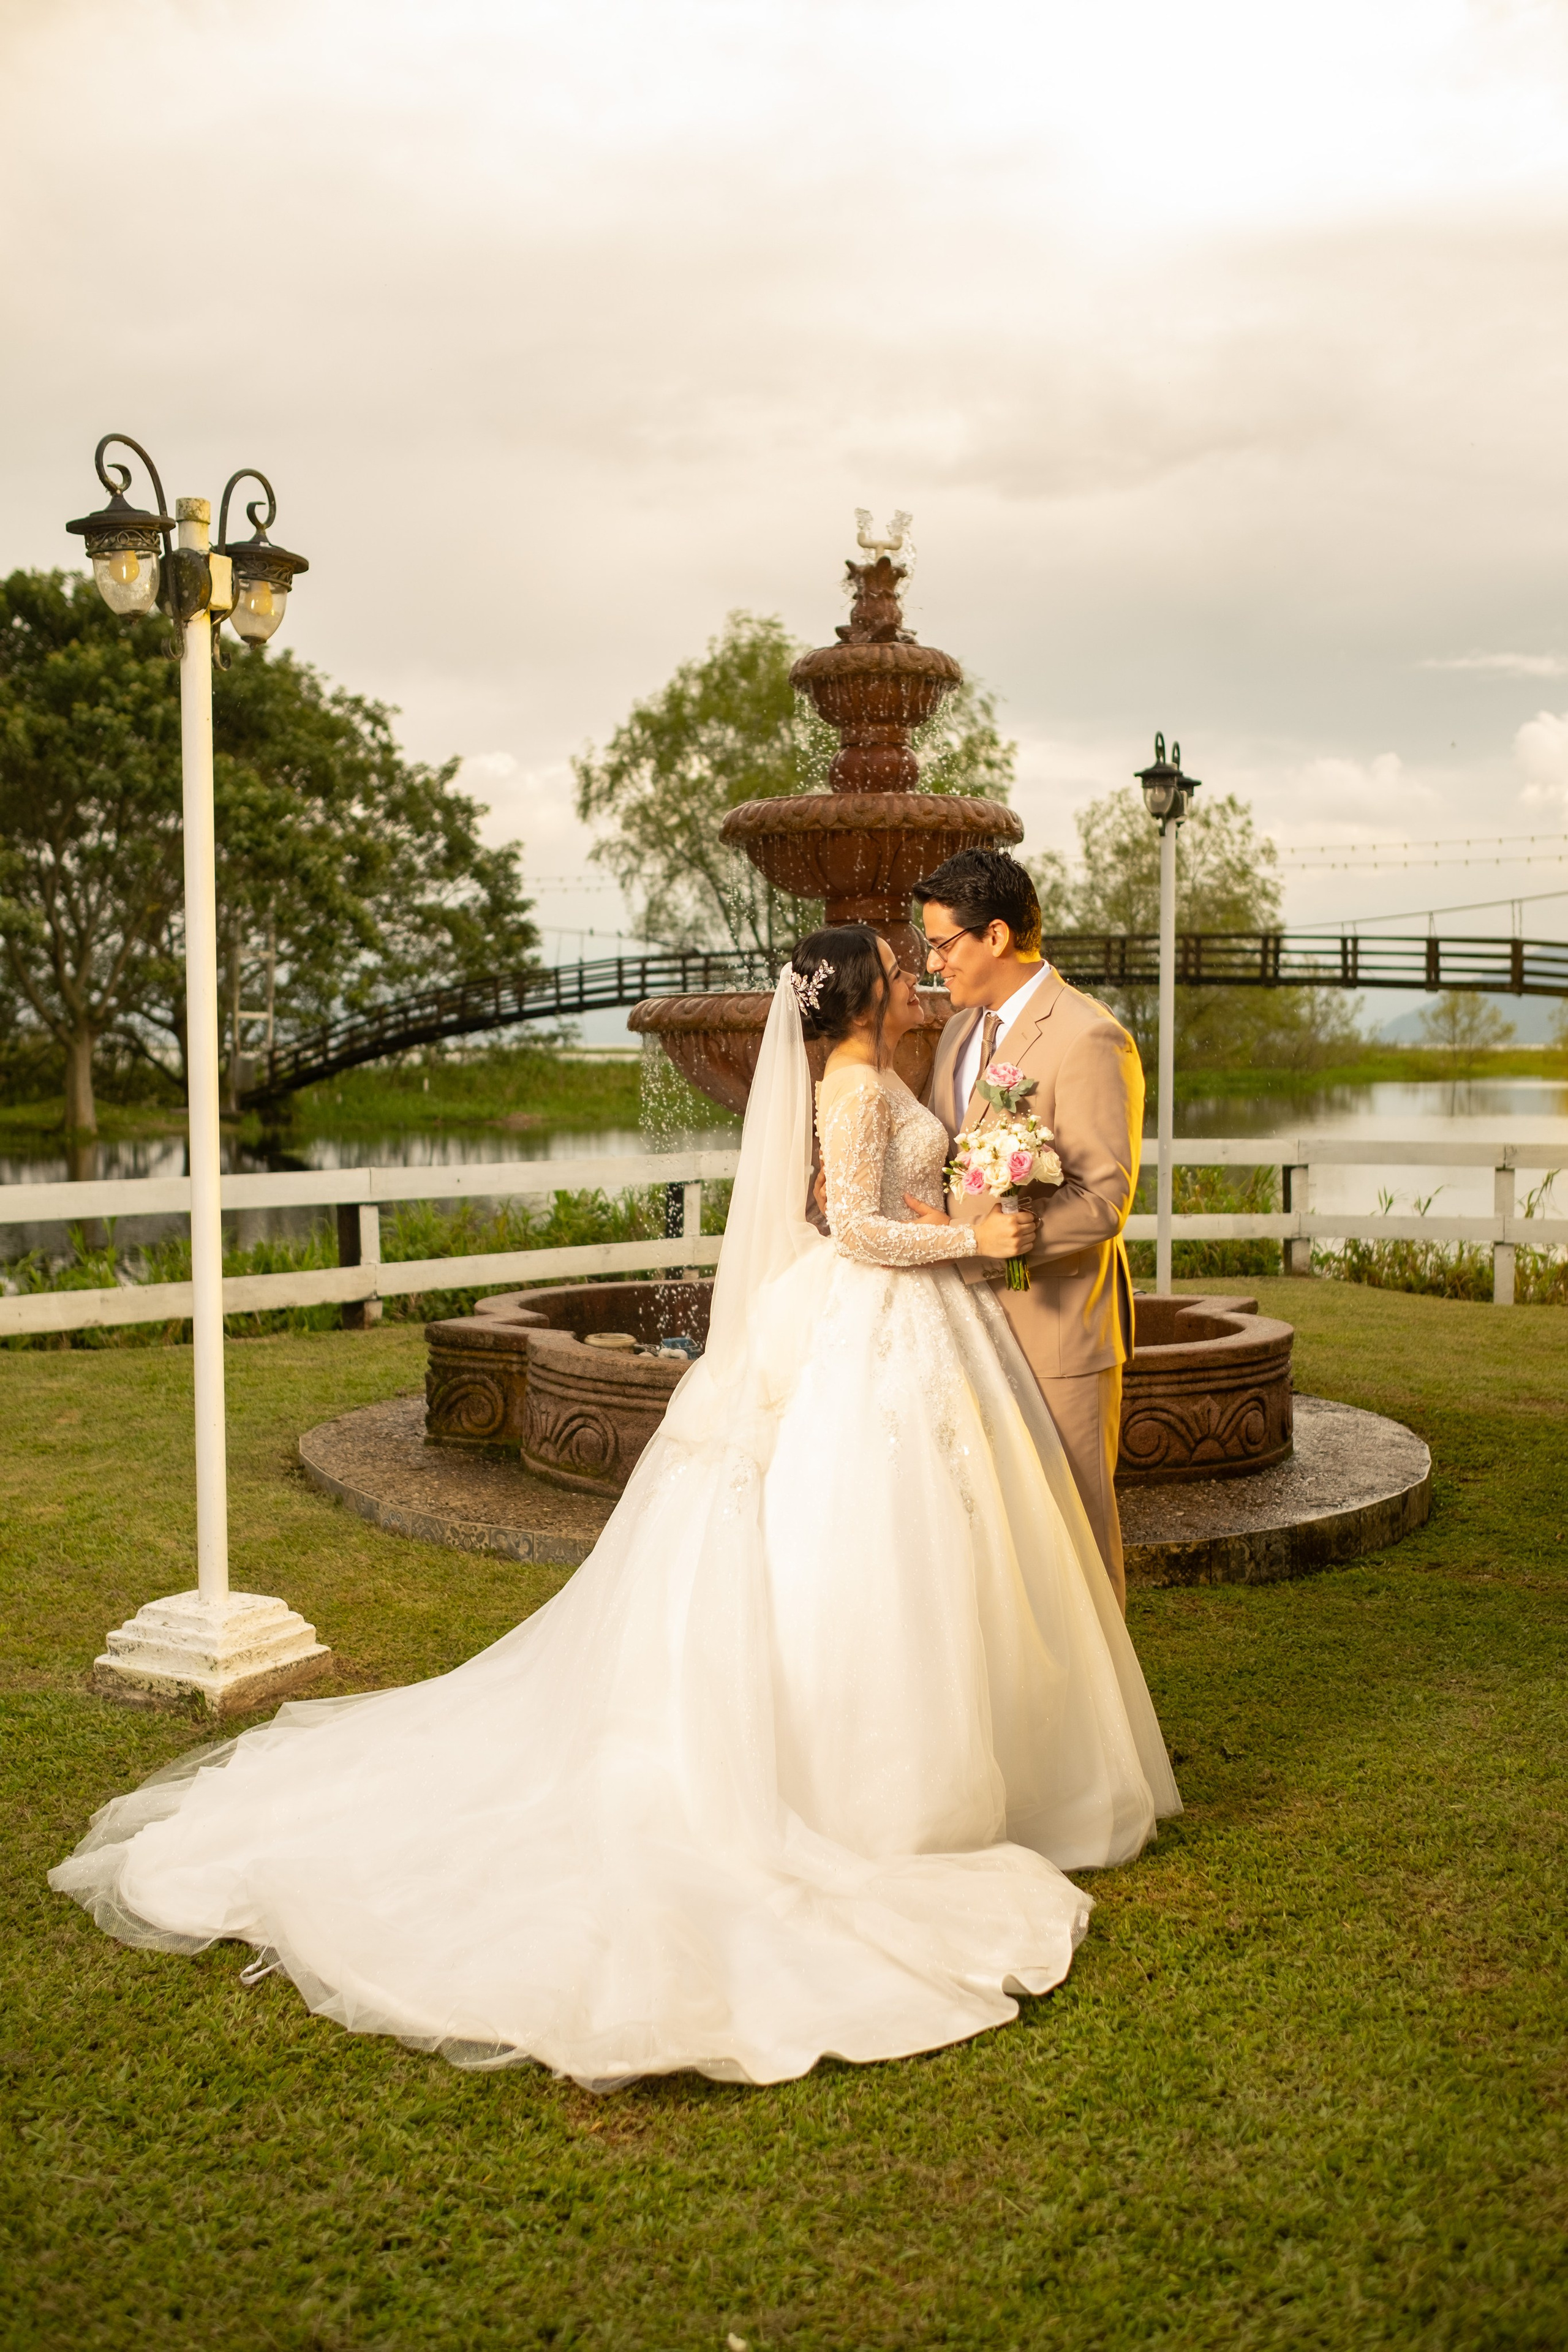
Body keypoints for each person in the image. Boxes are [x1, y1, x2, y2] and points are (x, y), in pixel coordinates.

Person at [50, 928, 1178, 2093]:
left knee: (930, 1539)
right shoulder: (850, 1086)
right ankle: (876, 1794)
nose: (913, 978)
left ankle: (978, 1766)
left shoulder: (884, 1071)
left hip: (907, 1323)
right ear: (859, 996)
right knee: (867, 1542)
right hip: (871, 1315)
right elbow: (853, 1227)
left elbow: (872, 1198)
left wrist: (975, 1192)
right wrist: (970, 1233)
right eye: (896, 969)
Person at [912, 850, 1144, 1613]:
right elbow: (949, 1164)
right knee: (996, 1545)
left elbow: (1103, 1197)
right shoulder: (958, 1034)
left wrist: (989, 1246)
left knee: (1075, 1541)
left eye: (942, 944)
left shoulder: (1089, 1036)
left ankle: (1101, 1697)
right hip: (968, 1326)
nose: (933, 962)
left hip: (1057, 1332)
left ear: (996, 935)